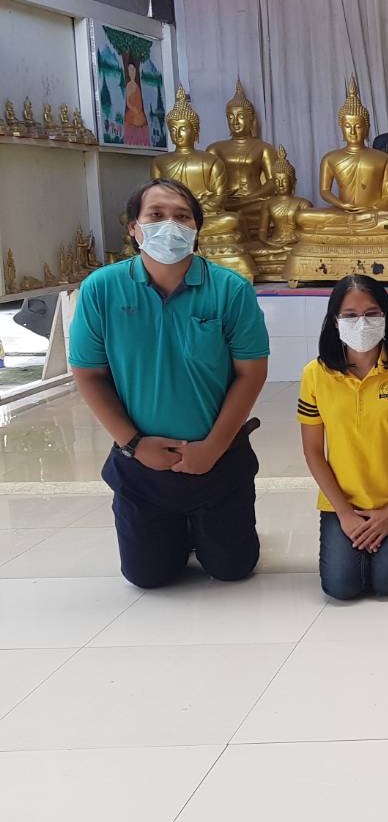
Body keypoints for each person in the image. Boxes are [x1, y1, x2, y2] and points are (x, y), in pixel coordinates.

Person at [69, 178, 269, 588]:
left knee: (232, 568)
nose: (170, 226)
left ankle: (206, 526)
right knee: (148, 576)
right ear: (133, 228)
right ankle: (172, 529)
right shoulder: (101, 289)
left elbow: (251, 373)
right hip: (141, 462)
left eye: (182, 217)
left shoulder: (230, 289)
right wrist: (134, 444)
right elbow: (89, 375)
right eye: (156, 216)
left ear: (197, 229)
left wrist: (212, 447)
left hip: (217, 457)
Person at [298, 276, 388, 600]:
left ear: (387, 317)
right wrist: (345, 513)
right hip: (343, 501)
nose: (362, 323)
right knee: (341, 587)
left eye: (372, 313)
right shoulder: (315, 374)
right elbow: (313, 451)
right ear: (335, 321)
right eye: (350, 315)